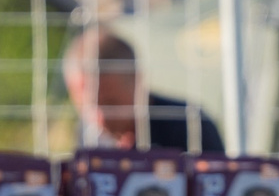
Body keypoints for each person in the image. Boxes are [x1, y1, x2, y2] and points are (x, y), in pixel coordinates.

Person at [62, 26, 225, 152]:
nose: (100, 117)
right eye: (89, 105)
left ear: (137, 82)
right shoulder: (87, 136)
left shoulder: (190, 124)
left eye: (111, 103)